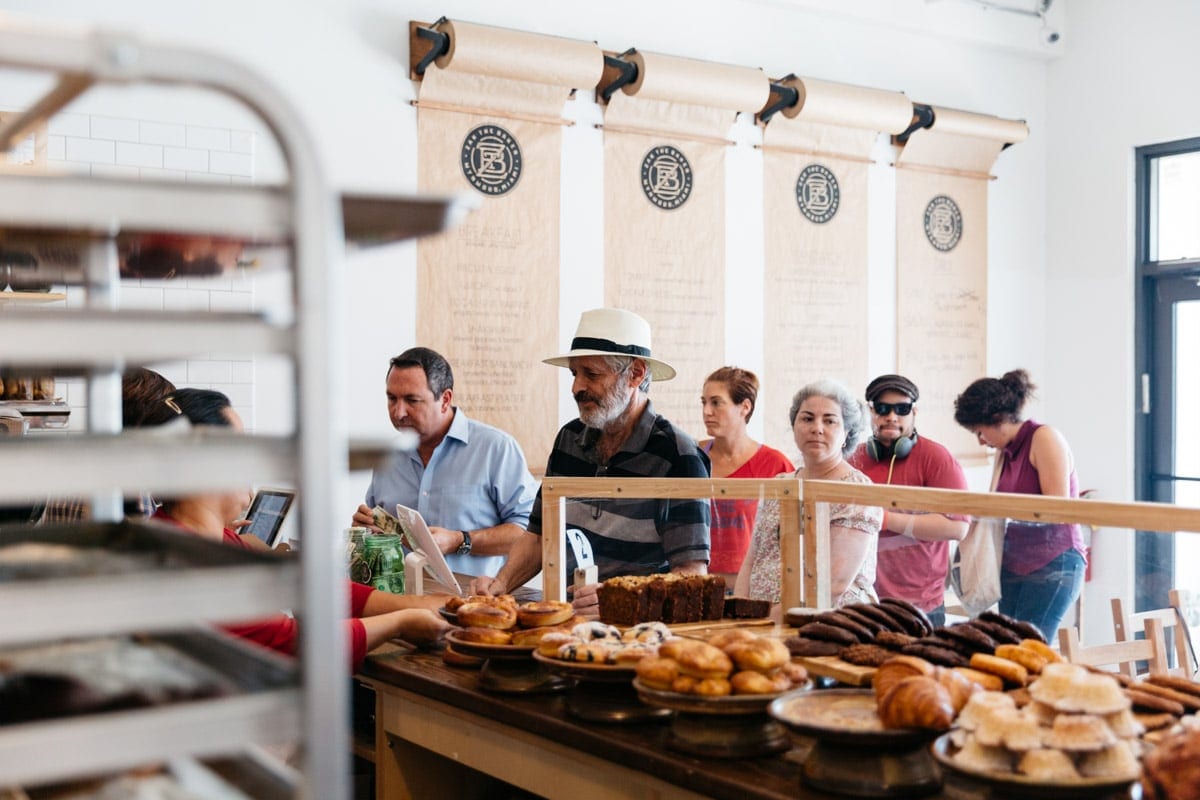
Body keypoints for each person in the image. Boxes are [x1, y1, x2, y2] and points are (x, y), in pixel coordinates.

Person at [145, 388, 449, 671]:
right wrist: (402, 622)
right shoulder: (191, 566)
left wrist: (416, 604)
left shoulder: (197, 537)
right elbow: (295, 642)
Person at [471, 308, 711, 614]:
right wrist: (500, 584)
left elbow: (691, 576)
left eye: (592, 374)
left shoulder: (679, 456)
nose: (576, 388)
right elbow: (539, 537)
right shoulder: (569, 439)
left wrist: (621, 599)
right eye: (575, 374)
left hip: (639, 632)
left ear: (636, 374)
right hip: (566, 621)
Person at [352, 347, 538, 579]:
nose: (398, 412)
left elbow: (530, 535)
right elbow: (375, 534)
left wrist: (460, 540)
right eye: (392, 399)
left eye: (412, 400)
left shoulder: (496, 448)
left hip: (474, 599)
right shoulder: (387, 456)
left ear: (445, 400)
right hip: (397, 597)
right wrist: (364, 531)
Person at [954, 368, 1086, 639]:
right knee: (1006, 646)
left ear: (998, 419)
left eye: (980, 432)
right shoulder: (1006, 453)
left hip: (1054, 563)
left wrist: (999, 508)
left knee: (1027, 648)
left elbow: (1056, 510)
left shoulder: (1045, 438)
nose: (981, 441)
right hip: (1014, 563)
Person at [736, 379, 882, 612]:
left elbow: (833, 584)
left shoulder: (857, 491)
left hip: (827, 621)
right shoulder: (780, 485)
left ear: (846, 432)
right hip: (763, 620)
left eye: (829, 420)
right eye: (807, 418)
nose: (817, 428)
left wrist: (774, 619)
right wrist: (741, 613)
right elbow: (752, 560)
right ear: (794, 426)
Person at [848, 374, 969, 628]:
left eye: (901, 409)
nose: (892, 416)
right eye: (883, 409)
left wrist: (885, 519)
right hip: (865, 600)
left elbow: (957, 527)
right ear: (871, 412)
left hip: (921, 605)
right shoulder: (855, 459)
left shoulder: (937, 458)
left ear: (914, 412)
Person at [699, 366, 793, 586]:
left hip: (753, 587)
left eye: (716, 402)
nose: (707, 411)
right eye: (704, 402)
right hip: (698, 585)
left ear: (745, 407)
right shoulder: (693, 457)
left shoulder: (775, 464)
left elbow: (792, 533)